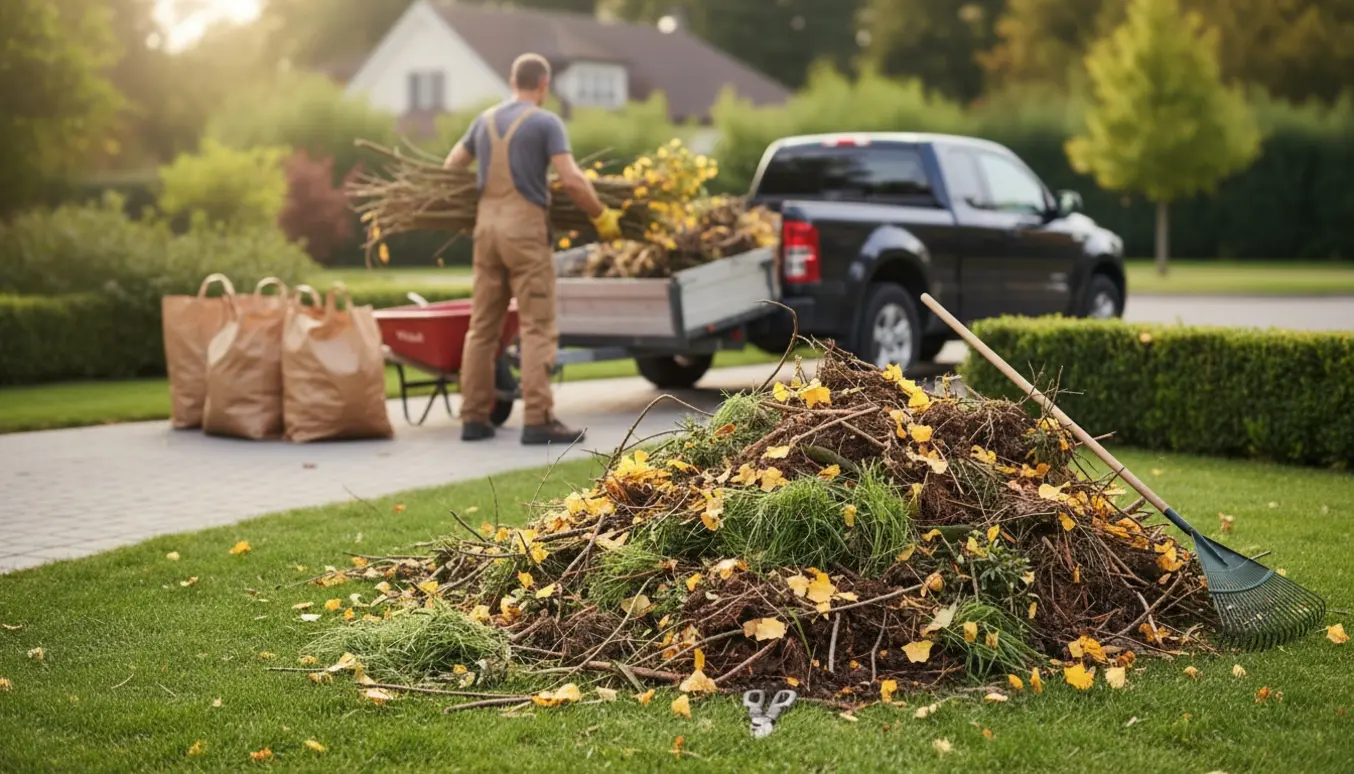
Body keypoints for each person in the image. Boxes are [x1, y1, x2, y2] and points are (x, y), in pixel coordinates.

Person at [444, 53, 623, 445]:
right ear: (543, 85)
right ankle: (538, 418)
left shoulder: (484, 120)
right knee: (537, 325)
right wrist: (601, 215)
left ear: (512, 80)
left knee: (482, 327)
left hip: (486, 233)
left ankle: (473, 419)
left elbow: (452, 165)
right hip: (524, 233)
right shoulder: (546, 121)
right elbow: (572, 180)